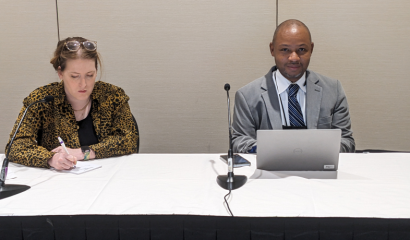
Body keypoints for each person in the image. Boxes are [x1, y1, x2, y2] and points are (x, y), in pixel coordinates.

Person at [5, 37, 139, 170]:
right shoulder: (41, 100)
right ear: (60, 73)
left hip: (108, 176)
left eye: (90, 75)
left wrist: (84, 152)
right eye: (75, 76)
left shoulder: (112, 96)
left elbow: (129, 140)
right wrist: (50, 159)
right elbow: (15, 146)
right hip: (58, 181)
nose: (83, 84)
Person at [232, 19, 355, 153]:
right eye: (285, 50)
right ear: (272, 50)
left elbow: (346, 141)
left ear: (311, 49)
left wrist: (316, 151)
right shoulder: (247, 95)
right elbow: (240, 141)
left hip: (318, 170)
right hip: (271, 171)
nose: (294, 58)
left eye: (301, 49)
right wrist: (271, 150)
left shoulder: (333, 90)